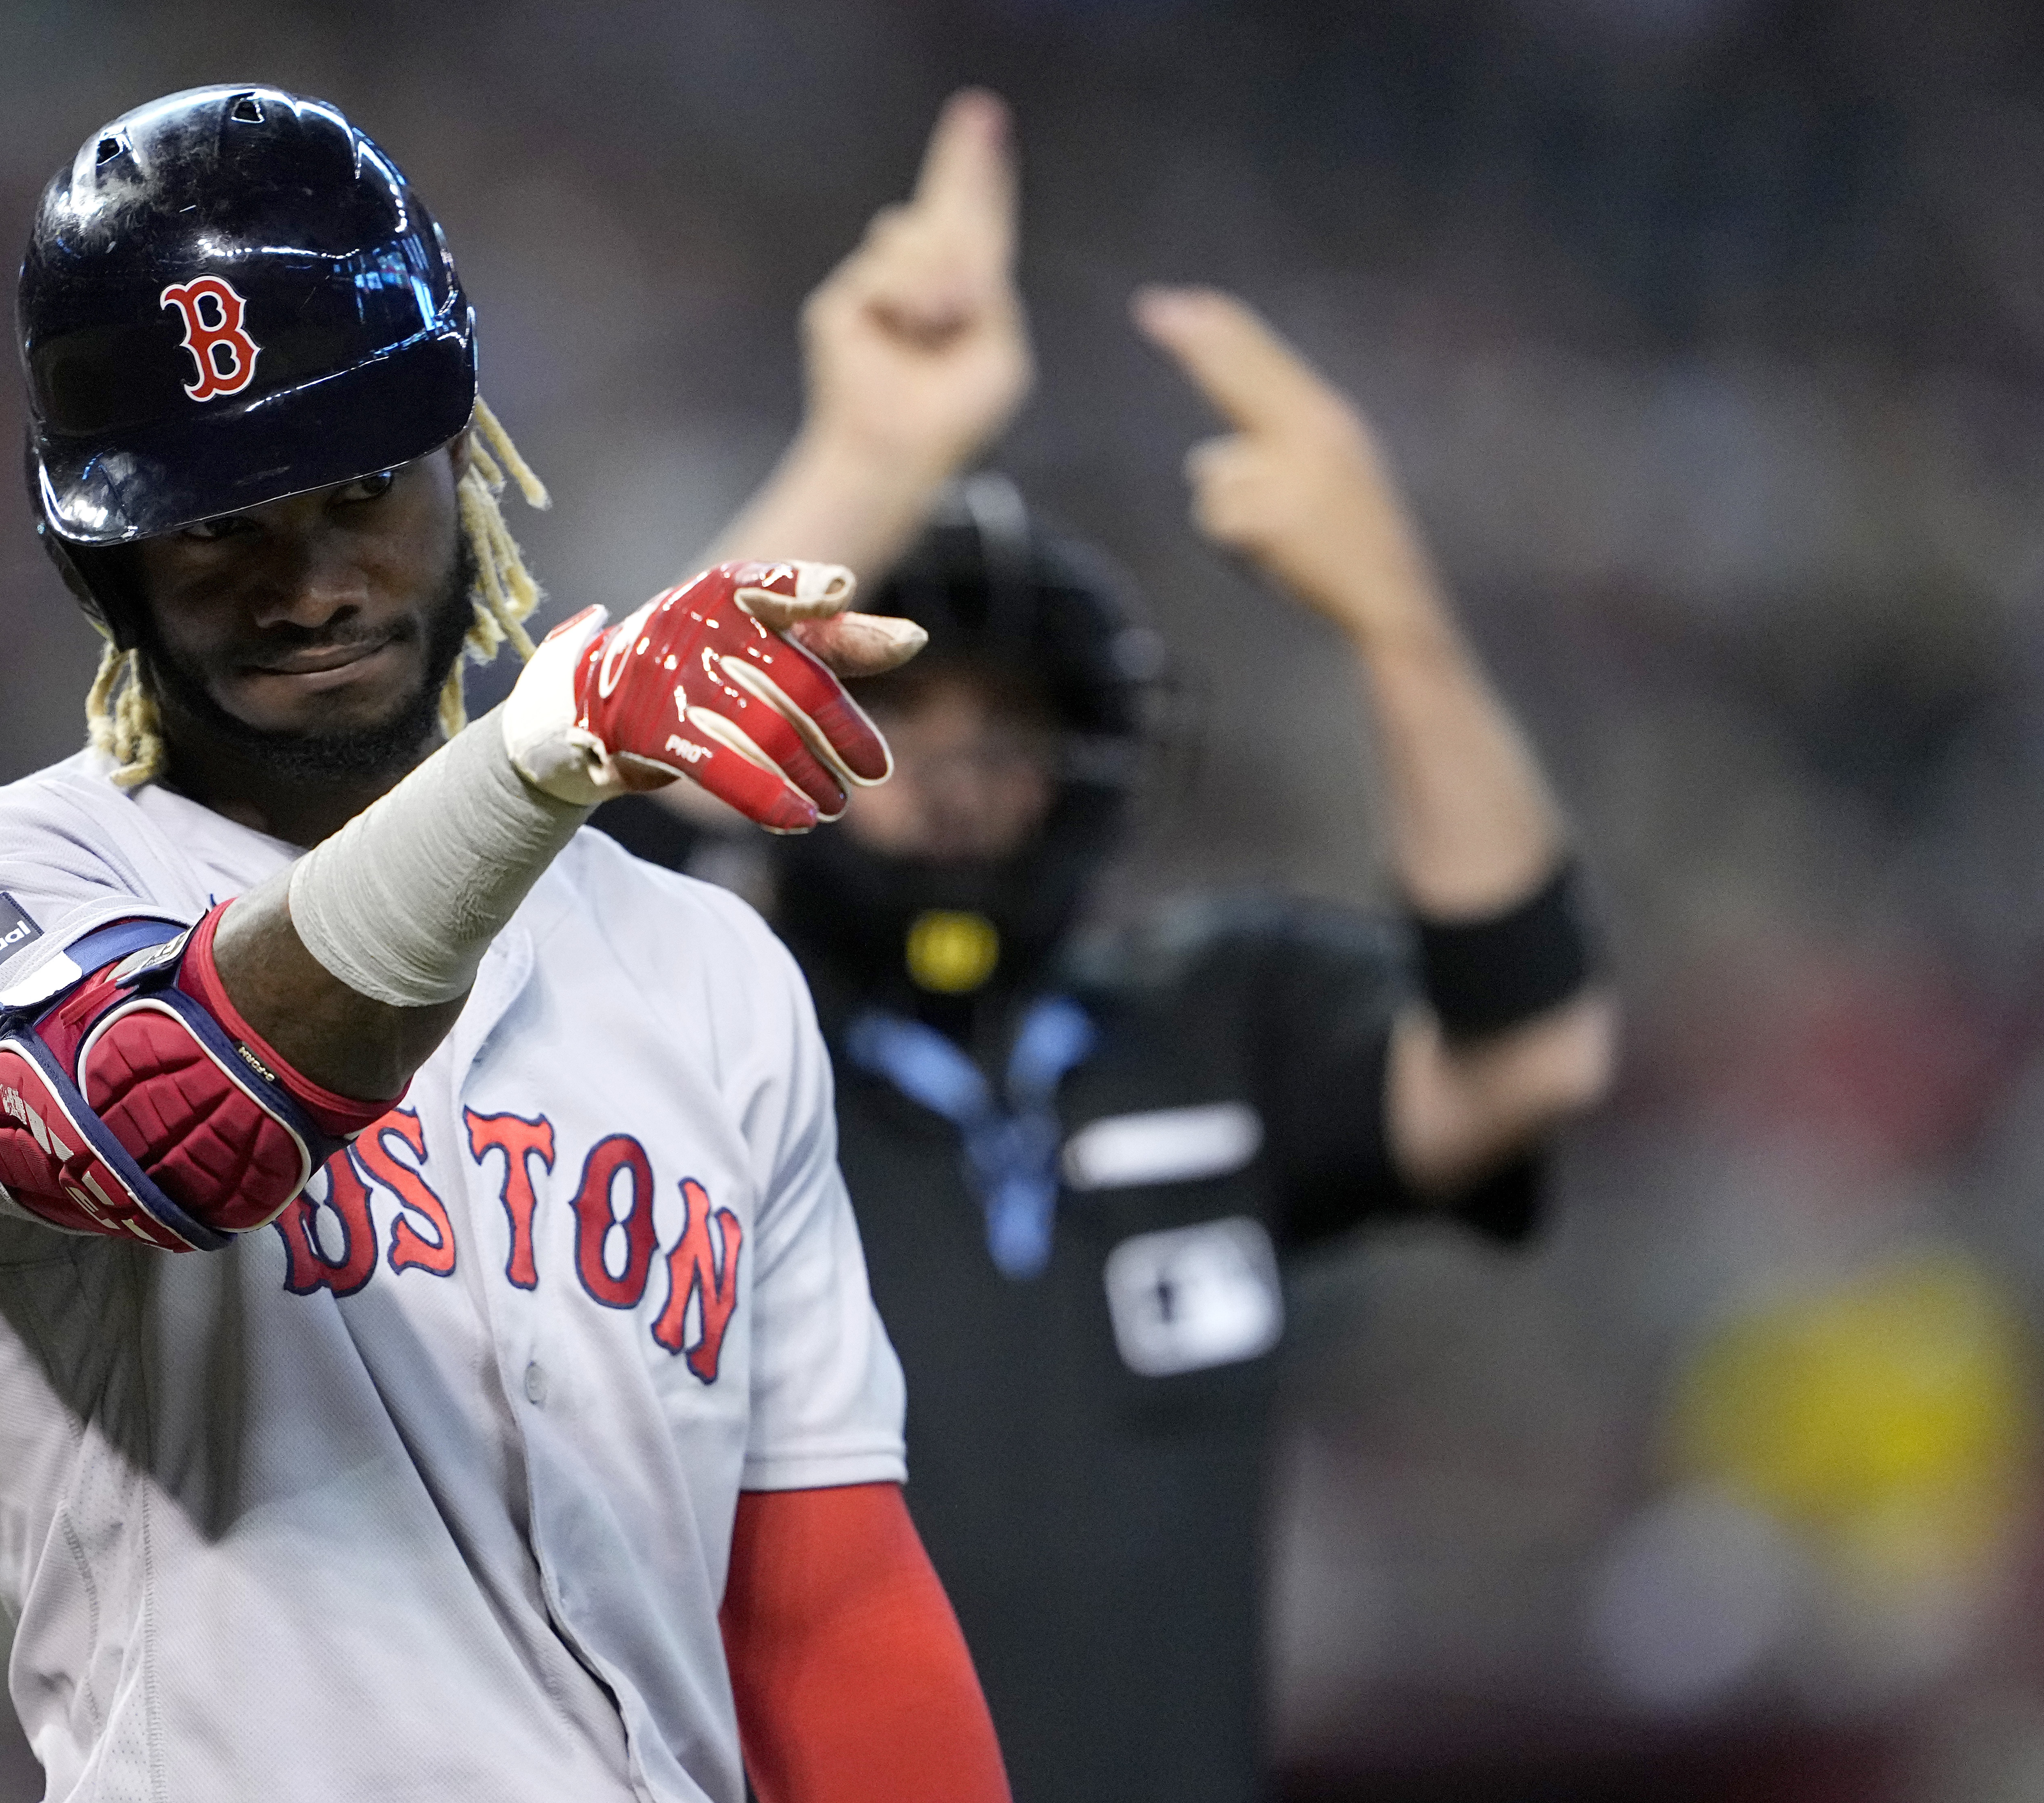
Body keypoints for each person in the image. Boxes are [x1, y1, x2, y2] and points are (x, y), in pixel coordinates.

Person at [0, 85, 1012, 1803]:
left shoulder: (704, 972)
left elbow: (823, 1609)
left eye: (360, 485)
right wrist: (541, 754)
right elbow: (171, 1114)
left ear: (469, 463)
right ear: (104, 562)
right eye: (220, 520)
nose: (304, 581)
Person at [609, 91, 1620, 1801]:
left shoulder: (1226, 1022)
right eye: (895, 708)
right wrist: (868, 460)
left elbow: (1531, 1049)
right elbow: (543, 871)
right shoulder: (697, 1041)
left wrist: (1399, 621)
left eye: (1005, 727)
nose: (952, 775)